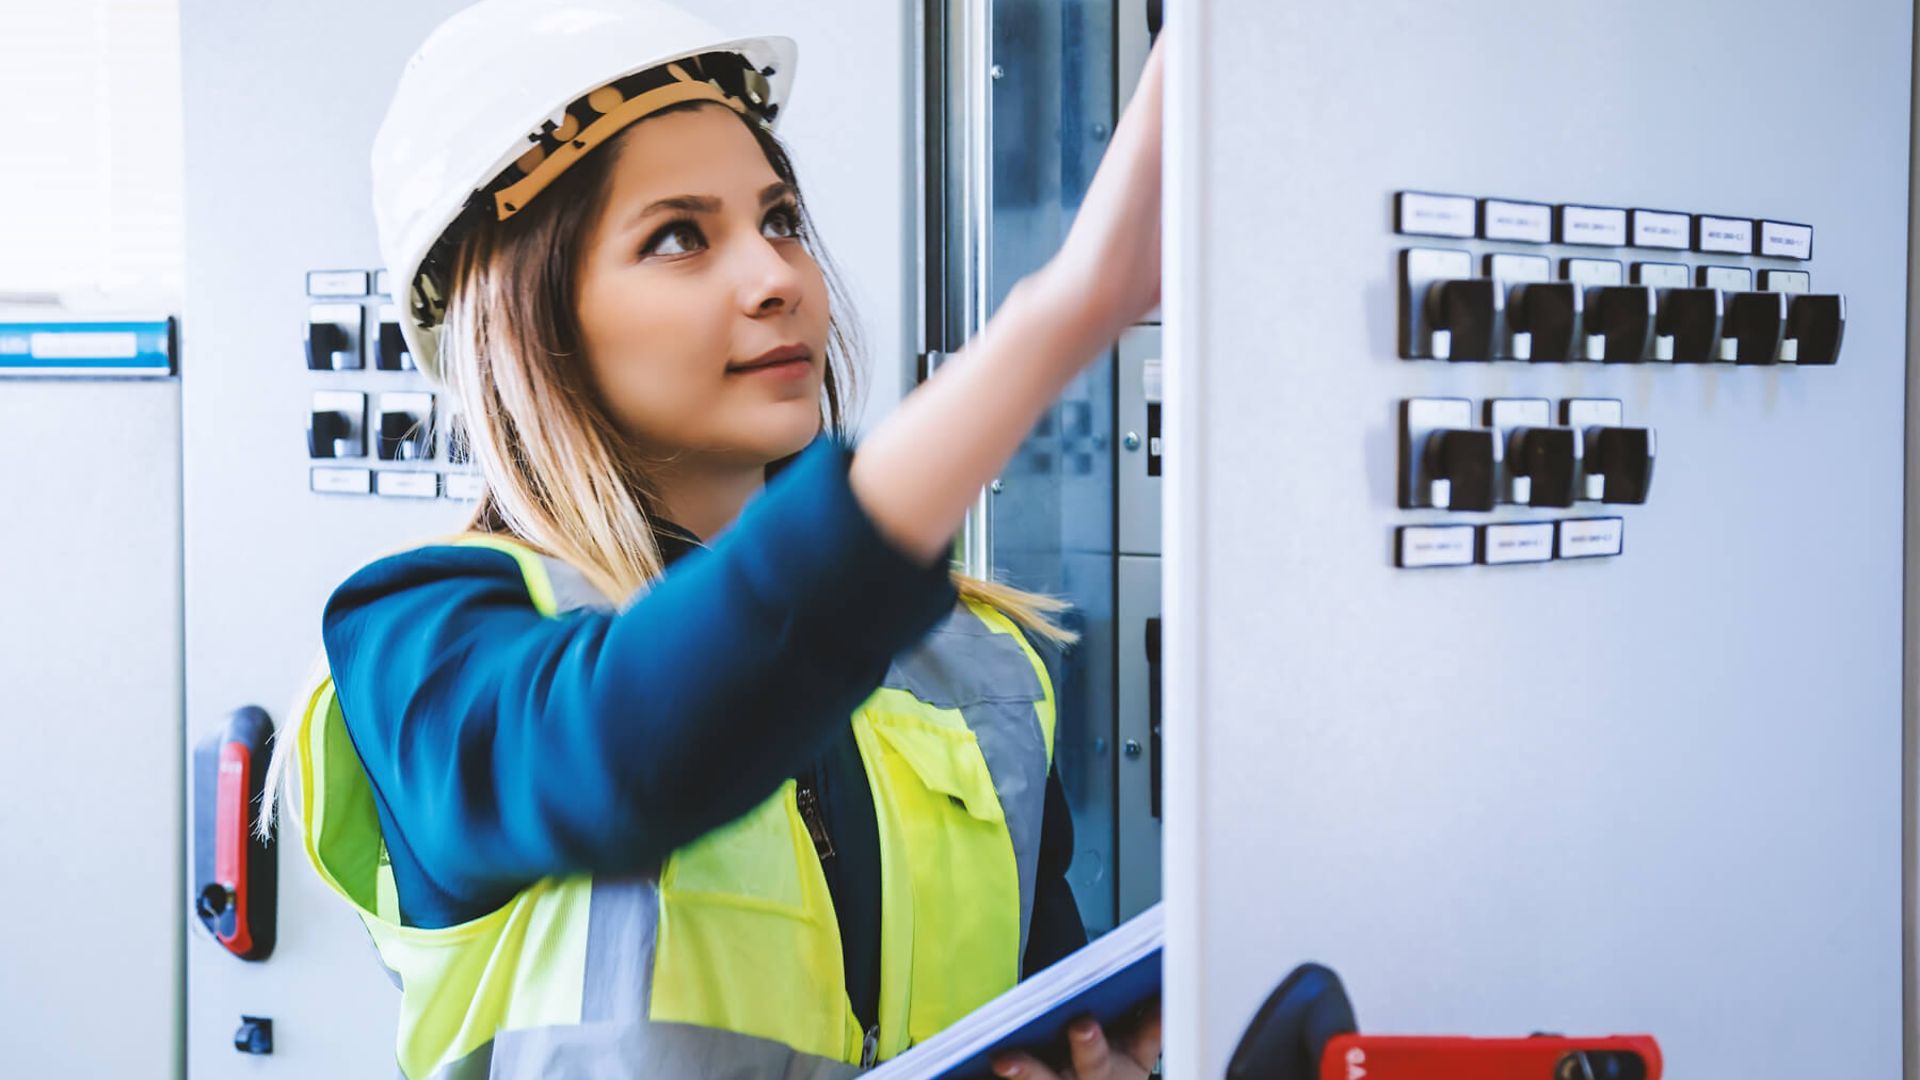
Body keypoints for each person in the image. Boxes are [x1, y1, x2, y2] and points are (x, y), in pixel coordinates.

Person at [265, 1, 1164, 1076]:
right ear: (529, 319)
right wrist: (1060, 318)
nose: (777, 277)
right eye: (679, 237)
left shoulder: (976, 662)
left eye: (779, 219)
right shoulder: (426, 638)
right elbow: (626, 747)